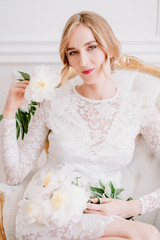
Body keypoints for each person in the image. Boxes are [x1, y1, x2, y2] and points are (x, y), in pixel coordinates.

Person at [1, 11, 160, 240]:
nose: (83, 61)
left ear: (110, 48)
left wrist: (131, 207)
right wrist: (9, 112)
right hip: (48, 213)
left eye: (91, 47)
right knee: (149, 235)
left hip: (100, 214)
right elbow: (15, 175)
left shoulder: (139, 107)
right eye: (73, 52)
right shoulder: (52, 102)